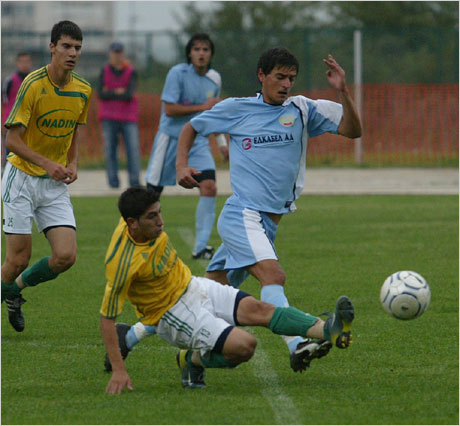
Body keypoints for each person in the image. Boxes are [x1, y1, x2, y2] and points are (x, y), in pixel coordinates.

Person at [176, 47, 362, 373]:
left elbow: (352, 130)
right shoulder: (236, 109)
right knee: (273, 276)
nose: (286, 84)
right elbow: (191, 127)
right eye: (279, 76)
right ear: (261, 76)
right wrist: (181, 165)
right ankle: (298, 342)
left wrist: (343, 91)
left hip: (267, 224)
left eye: (291, 78)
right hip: (244, 214)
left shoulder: (303, 109)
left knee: (210, 294)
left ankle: (161, 347)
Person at [99, 186, 354, 393]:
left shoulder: (136, 223)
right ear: (131, 223)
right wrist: (120, 370)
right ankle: (191, 360)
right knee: (245, 347)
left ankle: (328, 329)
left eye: (159, 212)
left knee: (259, 308)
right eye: (152, 217)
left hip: (193, 285)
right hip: (173, 315)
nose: (161, 222)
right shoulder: (122, 263)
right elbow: (106, 319)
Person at [1, 21, 92, 332]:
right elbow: (12, 141)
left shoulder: (83, 90)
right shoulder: (33, 84)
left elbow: (75, 132)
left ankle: (13, 291)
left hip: (52, 185)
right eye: (66, 46)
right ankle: (10, 284)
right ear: (52, 47)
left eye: (77, 48)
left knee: (66, 256)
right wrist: (47, 164)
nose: (72, 53)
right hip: (22, 179)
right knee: (17, 260)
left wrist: (73, 163)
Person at [144, 33, 228, 260]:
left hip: (198, 142)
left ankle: (201, 247)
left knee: (209, 186)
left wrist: (221, 143)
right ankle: (141, 242)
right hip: (170, 139)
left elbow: (214, 113)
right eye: (197, 49)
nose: (201, 53)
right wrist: (203, 106)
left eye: (206, 49)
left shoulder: (214, 79)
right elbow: (170, 109)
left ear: (211, 54)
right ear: (189, 53)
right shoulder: (177, 73)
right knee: (151, 195)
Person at [97, 41, 141, 188]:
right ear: (110, 54)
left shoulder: (131, 71)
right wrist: (118, 91)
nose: (117, 55)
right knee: (110, 151)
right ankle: (113, 182)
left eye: (120, 52)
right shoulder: (104, 71)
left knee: (133, 150)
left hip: (128, 117)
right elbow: (101, 94)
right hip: (108, 117)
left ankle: (134, 182)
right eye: (115, 52)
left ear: (123, 54)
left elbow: (129, 94)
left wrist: (110, 91)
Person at [1, 52, 33, 169]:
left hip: (29, 125)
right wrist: (3, 123)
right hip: (12, 124)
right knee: (10, 155)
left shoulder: (34, 81)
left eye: (27, 61)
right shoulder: (9, 81)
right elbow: (3, 103)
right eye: (22, 61)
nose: (25, 64)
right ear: (17, 63)